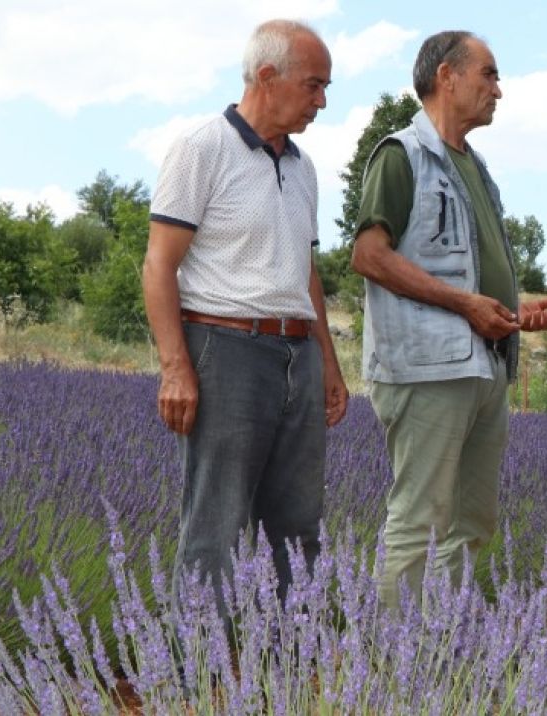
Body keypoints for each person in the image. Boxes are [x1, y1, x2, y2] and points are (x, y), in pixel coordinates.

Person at [142, 20, 348, 603]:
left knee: (299, 524)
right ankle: (198, 675)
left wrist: (329, 368)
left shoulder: (304, 167)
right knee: (217, 525)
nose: (322, 101)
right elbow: (159, 266)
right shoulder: (201, 149)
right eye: (313, 85)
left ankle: (284, 667)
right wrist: (176, 367)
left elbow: (306, 276)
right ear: (266, 76)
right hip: (224, 351)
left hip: (299, 355)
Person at [351, 31, 547, 611]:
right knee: (420, 521)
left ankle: (439, 647)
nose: (498, 89)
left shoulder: (474, 166)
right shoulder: (402, 155)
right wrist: (467, 306)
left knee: (472, 523)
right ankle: (394, 664)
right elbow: (369, 256)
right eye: (488, 74)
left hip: (481, 365)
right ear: (447, 76)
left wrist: (514, 313)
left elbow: (466, 271)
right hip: (425, 368)